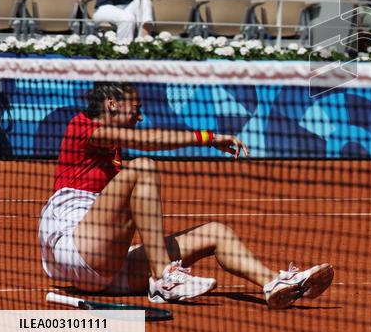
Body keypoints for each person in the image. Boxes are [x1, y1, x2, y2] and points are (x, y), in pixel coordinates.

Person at [38, 82, 333, 306]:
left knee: (216, 232)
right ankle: (163, 279)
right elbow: (147, 141)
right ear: (112, 104)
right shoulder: (81, 126)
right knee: (143, 168)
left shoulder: (113, 159)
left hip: (107, 272)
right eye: (136, 108)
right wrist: (207, 137)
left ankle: (274, 284)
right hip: (74, 248)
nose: (139, 116)